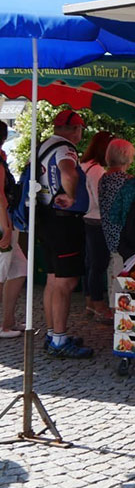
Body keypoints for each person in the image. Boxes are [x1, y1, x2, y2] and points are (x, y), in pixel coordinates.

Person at [37, 109, 93, 358]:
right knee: (65, 282)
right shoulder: (65, 148)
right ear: (75, 130)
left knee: (53, 279)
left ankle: (53, 334)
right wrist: (71, 196)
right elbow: (68, 172)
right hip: (63, 222)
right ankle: (59, 341)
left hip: (46, 219)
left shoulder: (43, 145)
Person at [99, 138, 135, 319]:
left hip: (109, 231)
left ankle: (115, 310)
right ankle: (121, 314)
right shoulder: (127, 181)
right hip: (123, 235)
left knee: (113, 268)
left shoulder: (104, 178)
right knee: (122, 270)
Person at [80, 130, 113, 318]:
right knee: (98, 264)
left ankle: (90, 302)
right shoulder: (97, 170)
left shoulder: (84, 164)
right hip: (97, 221)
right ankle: (99, 305)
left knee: (90, 264)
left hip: (85, 219)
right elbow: (102, 201)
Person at [0, 122, 26, 339]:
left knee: (19, 270)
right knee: (1, 272)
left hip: (5, 221)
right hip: (2, 223)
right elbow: (0, 196)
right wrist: (7, 227)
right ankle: (4, 324)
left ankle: (8, 322)